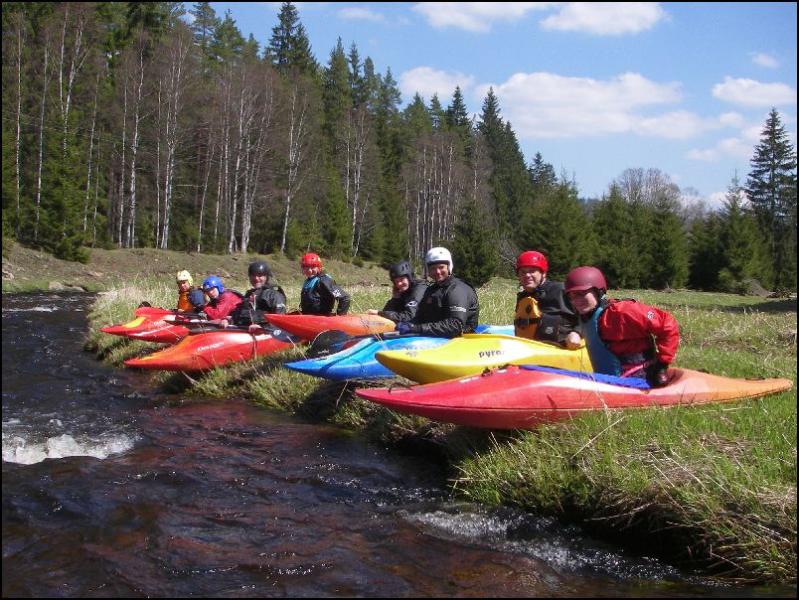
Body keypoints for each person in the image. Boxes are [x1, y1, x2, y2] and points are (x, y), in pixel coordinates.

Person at [564, 266, 679, 387]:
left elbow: (667, 324)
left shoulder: (622, 312)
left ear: (598, 291)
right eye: (571, 296)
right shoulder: (586, 315)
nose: (576, 300)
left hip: (640, 378)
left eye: (581, 294)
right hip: (608, 380)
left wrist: (662, 364)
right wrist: (575, 332)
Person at [395, 247, 479, 338]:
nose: (437, 272)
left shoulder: (457, 290)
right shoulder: (432, 290)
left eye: (441, 267)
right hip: (438, 337)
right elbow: (420, 316)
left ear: (449, 267)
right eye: (433, 268)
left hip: (461, 340)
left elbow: (456, 325)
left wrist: (416, 328)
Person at [514, 251, 581, 349]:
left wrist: (577, 332)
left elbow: (587, 316)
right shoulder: (523, 297)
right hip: (529, 349)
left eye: (532, 271)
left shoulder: (561, 290)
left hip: (561, 349)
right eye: (523, 272)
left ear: (543, 273)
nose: (527, 275)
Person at [231, 260, 287, 327]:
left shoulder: (274, 295)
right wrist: (229, 320)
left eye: (260, 275)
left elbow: (280, 319)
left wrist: (262, 329)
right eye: (253, 275)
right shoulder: (249, 295)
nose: (256, 278)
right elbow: (241, 314)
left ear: (266, 277)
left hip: (267, 332)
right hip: (246, 330)